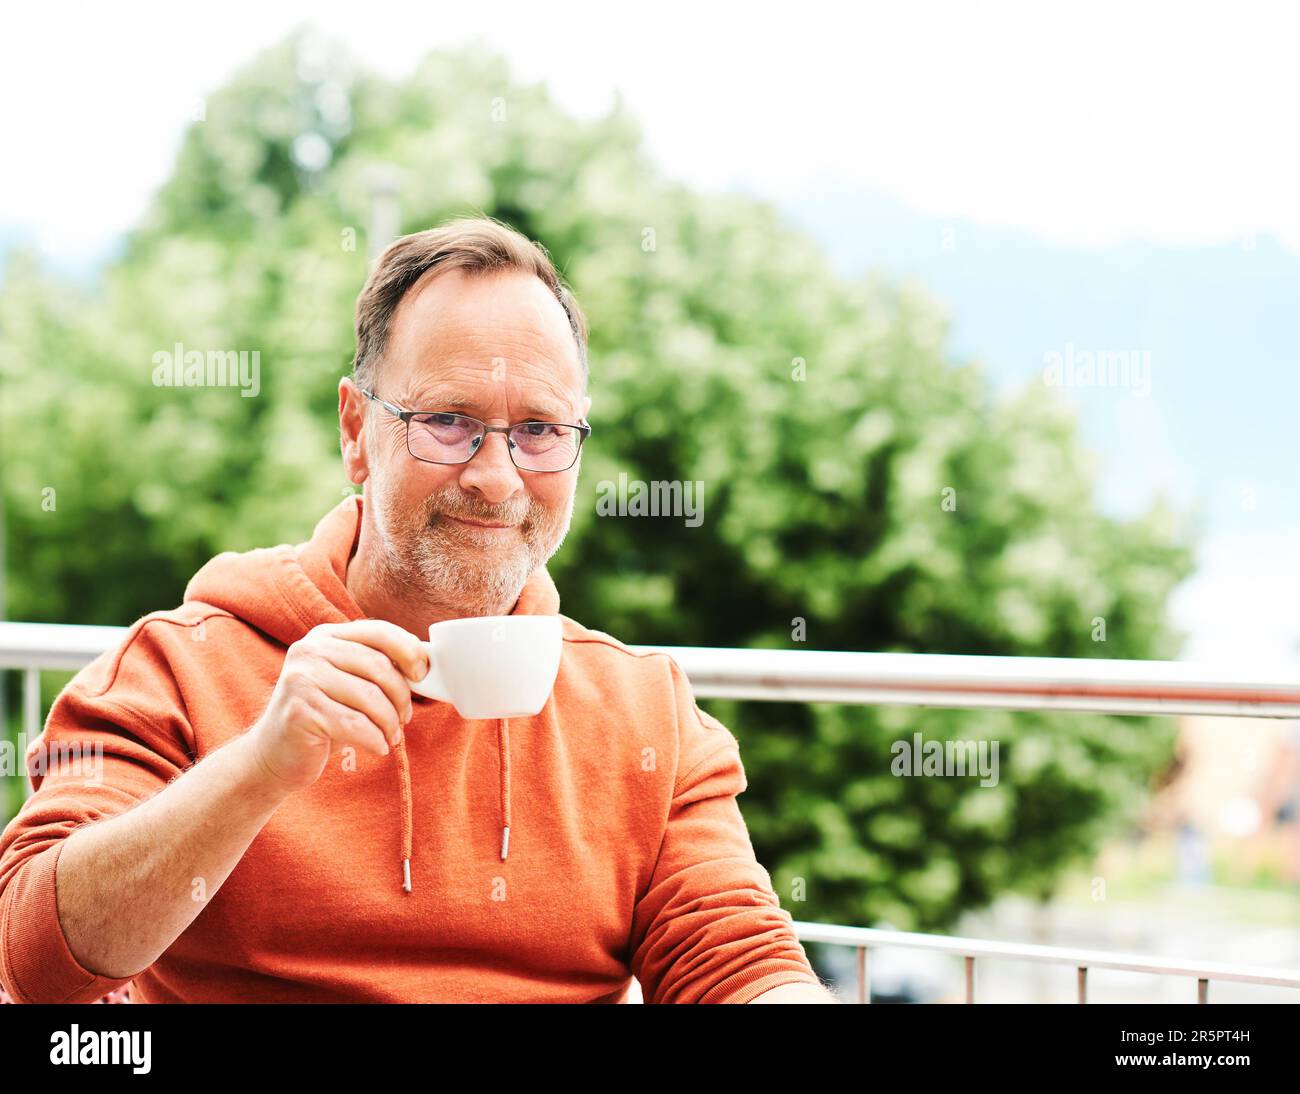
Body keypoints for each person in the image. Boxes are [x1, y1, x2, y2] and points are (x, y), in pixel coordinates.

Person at [0, 215, 836, 1004]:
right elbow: (32, 957)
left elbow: (738, 959)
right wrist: (258, 769)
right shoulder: (177, 668)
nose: (498, 477)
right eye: (448, 421)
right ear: (356, 431)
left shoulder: (646, 709)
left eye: (541, 430)